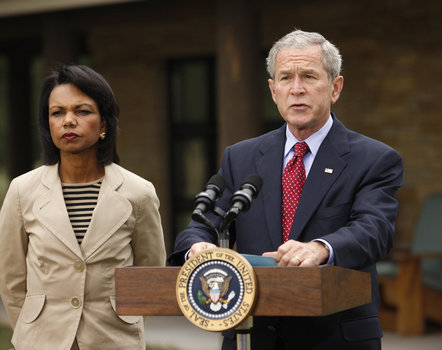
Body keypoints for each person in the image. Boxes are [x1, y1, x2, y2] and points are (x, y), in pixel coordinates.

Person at [168, 30, 403, 349]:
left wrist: (320, 248)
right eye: (285, 78)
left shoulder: (374, 159)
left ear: (335, 88)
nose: (296, 89)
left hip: (334, 337)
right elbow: (202, 225)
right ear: (273, 89)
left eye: (308, 76)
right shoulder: (241, 157)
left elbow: (374, 230)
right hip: (252, 333)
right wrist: (198, 248)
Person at [0, 64, 166, 350]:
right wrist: (30, 332)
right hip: (42, 340)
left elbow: (150, 274)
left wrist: (125, 326)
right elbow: (11, 277)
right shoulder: (22, 191)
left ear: (103, 125)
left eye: (82, 111)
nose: (68, 121)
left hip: (112, 339)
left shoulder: (138, 192)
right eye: (57, 112)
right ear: (47, 123)